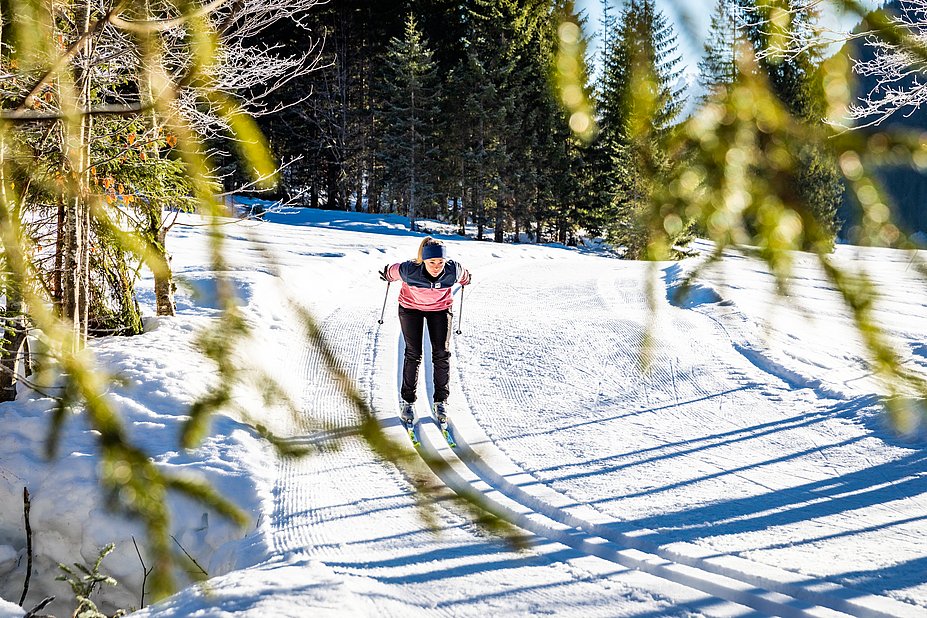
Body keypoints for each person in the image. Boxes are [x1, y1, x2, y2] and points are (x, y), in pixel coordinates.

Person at [379, 237, 471, 426]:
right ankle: (408, 401)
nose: (437, 266)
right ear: (423, 260)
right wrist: (387, 274)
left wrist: (467, 279)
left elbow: (465, 276)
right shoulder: (409, 270)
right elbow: (391, 271)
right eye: (431, 262)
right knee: (413, 353)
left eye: (440, 262)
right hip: (410, 308)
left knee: (441, 354)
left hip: (440, 310)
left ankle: (441, 401)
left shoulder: (453, 270)